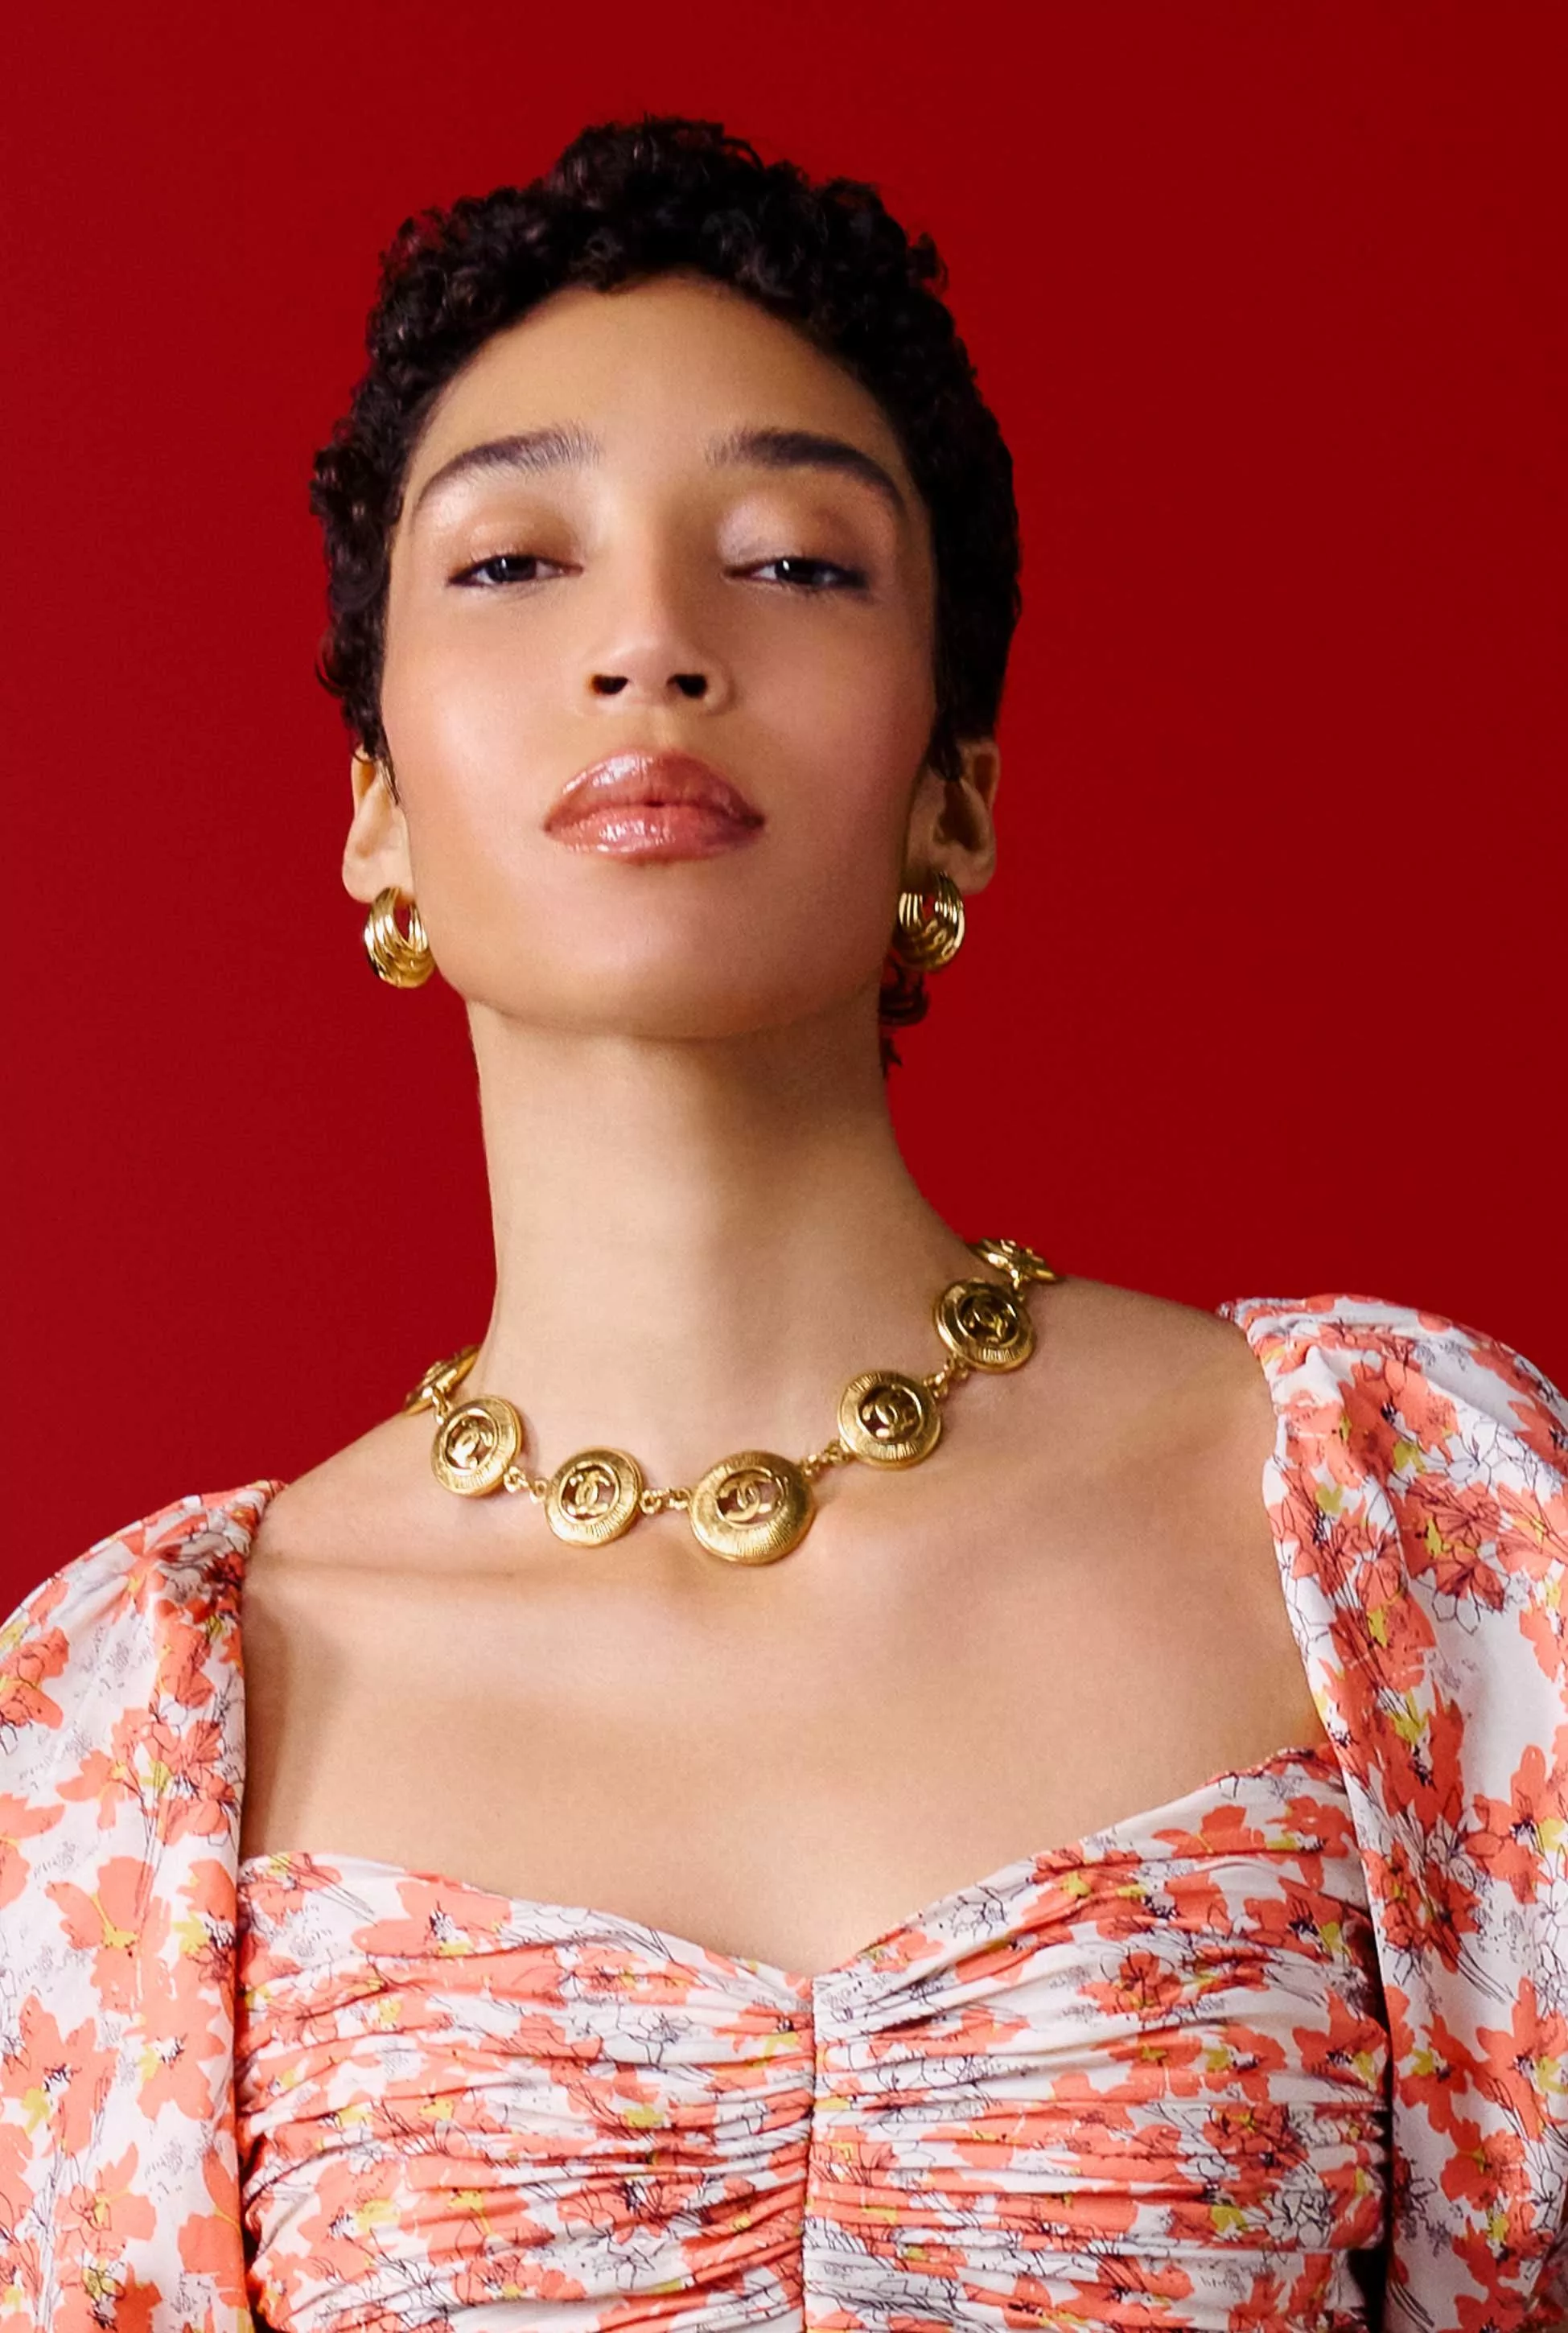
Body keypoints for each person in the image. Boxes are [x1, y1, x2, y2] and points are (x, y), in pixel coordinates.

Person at [2, 114, 1565, 2333]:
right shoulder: (115, 1745)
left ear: (959, 789)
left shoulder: (1406, 1530)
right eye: (514, 560)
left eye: (795, 561)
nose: (650, 641)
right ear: (372, 806)